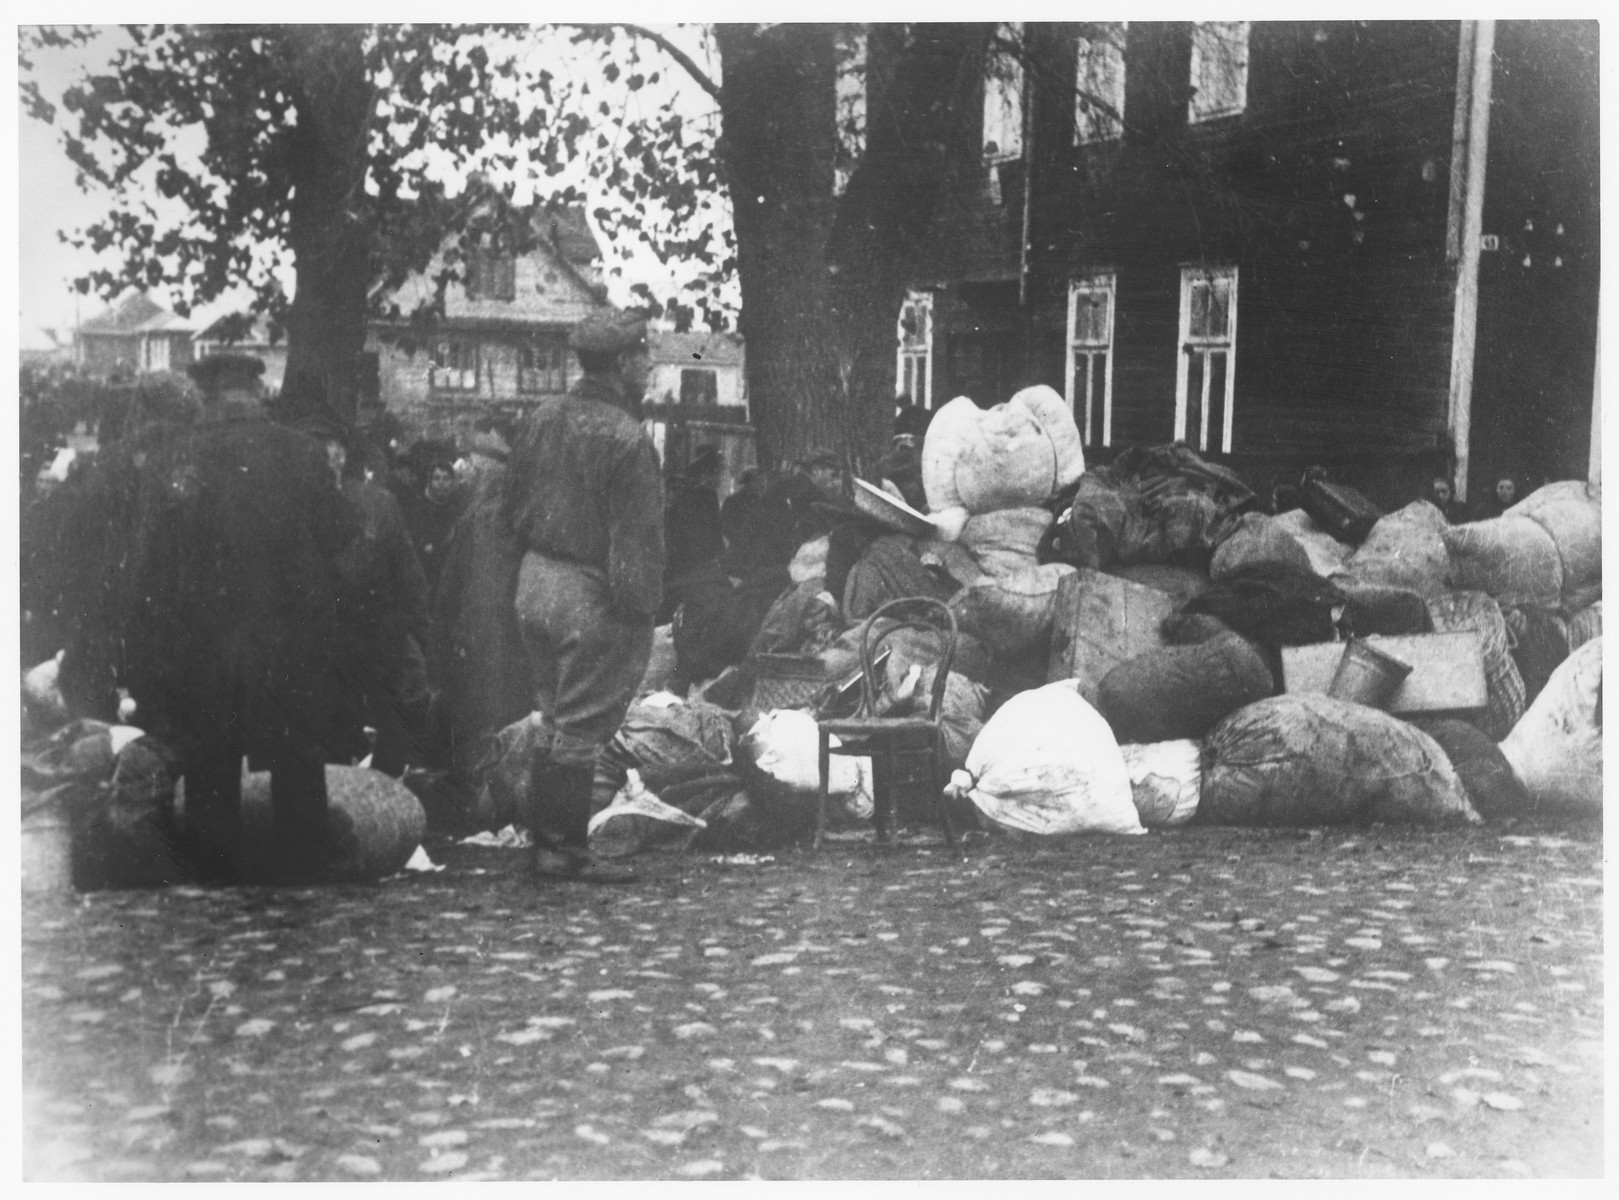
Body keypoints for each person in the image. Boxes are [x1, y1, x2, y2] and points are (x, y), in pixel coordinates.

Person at [58, 393, 362, 882]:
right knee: (297, 762)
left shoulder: (176, 458)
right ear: (257, 396)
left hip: (202, 646)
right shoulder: (301, 452)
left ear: (210, 396)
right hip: (286, 644)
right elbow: (343, 533)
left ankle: (215, 878)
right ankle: (305, 878)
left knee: (209, 766)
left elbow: (150, 565)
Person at [502, 309, 664, 883]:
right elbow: (636, 545)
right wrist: (639, 616)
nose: (649, 365)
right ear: (623, 364)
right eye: (644, 354)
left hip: (535, 579)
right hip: (588, 590)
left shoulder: (540, 418)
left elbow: (509, 510)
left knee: (552, 713)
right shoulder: (626, 438)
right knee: (579, 724)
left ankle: (543, 841)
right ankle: (560, 849)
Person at [299, 416, 437, 781]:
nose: (329, 458)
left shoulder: (377, 502)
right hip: (320, 636)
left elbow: (408, 572)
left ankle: (383, 781)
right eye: (318, 451)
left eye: (335, 450)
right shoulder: (289, 506)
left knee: (409, 698)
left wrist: (414, 630)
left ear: (345, 456)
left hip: (376, 629)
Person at [661, 446, 726, 623]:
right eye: (718, 473)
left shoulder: (700, 494)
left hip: (688, 565)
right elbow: (699, 536)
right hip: (689, 567)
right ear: (705, 474)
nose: (721, 479)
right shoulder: (698, 496)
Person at [404, 447, 465, 594]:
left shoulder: (456, 510)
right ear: (429, 481)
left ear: (452, 482)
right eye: (437, 478)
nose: (441, 483)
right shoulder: (419, 509)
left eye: (446, 479)